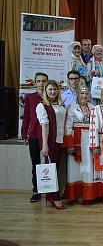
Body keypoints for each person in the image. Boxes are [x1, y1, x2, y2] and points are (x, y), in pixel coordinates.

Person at [36, 80, 67, 209]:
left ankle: (51, 196)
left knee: (56, 167)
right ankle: (53, 197)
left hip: (60, 140)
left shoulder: (60, 105)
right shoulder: (42, 106)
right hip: (50, 141)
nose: (53, 92)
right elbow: (45, 126)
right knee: (51, 169)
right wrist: (45, 145)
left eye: (55, 89)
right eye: (50, 90)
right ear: (45, 91)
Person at [63, 85, 95, 205]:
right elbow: (67, 126)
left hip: (90, 140)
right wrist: (70, 145)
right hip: (76, 138)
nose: (84, 96)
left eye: (86, 93)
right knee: (76, 167)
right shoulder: (72, 107)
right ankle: (77, 194)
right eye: (81, 94)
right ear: (77, 95)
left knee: (88, 166)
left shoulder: (93, 107)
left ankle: (88, 194)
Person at [21, 72, 48, 202]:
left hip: (48, 136)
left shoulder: (52, 97)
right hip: (33, 135)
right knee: (36, 164)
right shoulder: (30, 98)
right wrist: (23, 134)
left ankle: (50, 190)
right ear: (35, 82)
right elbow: (26, 116)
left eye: (44, 81)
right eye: (39, 81)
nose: (41, 83)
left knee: (50, 164)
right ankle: (36, 191)